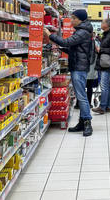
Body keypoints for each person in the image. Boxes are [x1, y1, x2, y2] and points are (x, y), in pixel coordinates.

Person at [44, 9, 93, 137]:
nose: (71, 21)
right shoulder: (82, 31)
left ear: (80, 19)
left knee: (81, 96)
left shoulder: (82, 32)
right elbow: (74, 49)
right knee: (80, 95)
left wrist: (50, 35)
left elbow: (67, 42)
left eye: (73, 18)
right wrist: (58, 47)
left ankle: (87, 123)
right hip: (78, 65)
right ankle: (82, 122)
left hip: (79, 67)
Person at [92, 18, 110, 115]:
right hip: (103, 63)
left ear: (107, 25)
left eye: (102, 22)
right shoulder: (106, 35)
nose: (101, 23)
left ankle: (102, 107)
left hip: (107, 64)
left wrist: (101, 50)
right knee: (107, 86)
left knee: (104, 86)